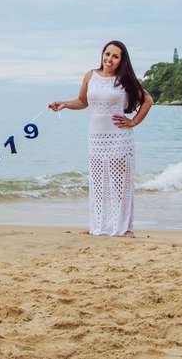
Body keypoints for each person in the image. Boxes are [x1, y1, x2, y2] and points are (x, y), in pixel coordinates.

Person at [49, 40, 153, 237]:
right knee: (98, 184)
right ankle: (99, 225)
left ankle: (124, 228)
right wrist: (63, 104)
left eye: (115, 56)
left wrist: (133, 122)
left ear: (121, 60)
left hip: (119, 139)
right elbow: (82, 102)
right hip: (96, 138)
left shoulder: (125, 79)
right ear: (102, 54)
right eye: (107, 54)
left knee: (119, 185)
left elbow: (148, 100)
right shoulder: (91, 76)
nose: (109, 59)